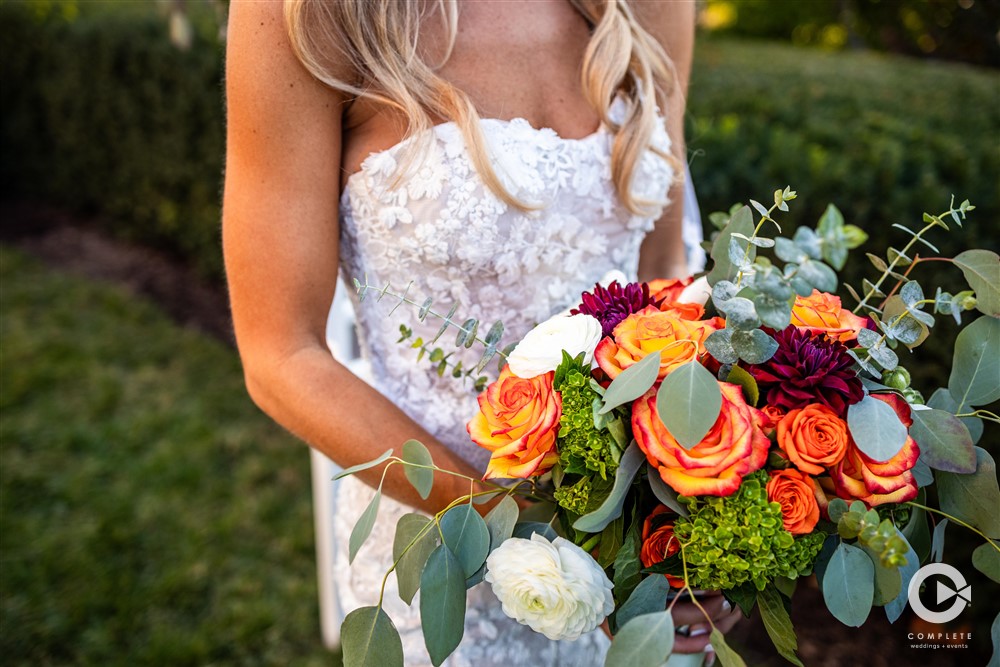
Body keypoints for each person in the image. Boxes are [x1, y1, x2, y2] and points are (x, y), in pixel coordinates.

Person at [222, 0, 739, 664]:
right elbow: (281, 354)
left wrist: (681, 521)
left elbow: (662, 271)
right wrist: (539, 541)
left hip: (631, 573)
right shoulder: (304, 13)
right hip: (441, 571)